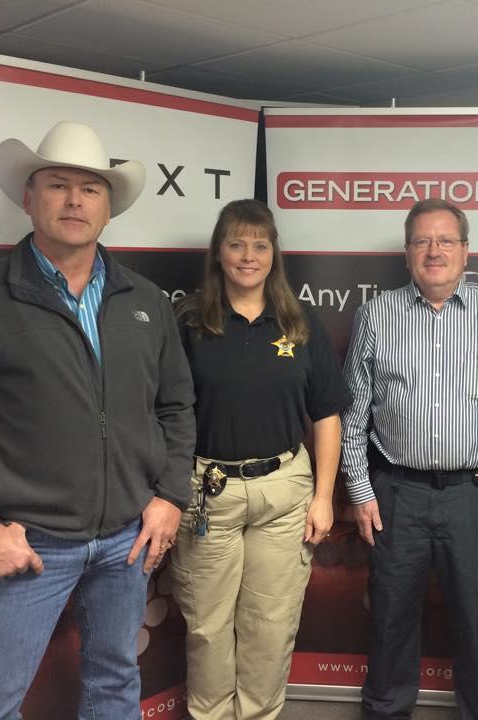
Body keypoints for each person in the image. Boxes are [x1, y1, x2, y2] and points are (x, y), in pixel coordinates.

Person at [0, 121, 196, 720]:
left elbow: (176, 406)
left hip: (125, 541)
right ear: (28, 198)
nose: (75, 200)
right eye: (57, 185)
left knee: (115, 682)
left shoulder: (146, 302)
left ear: (110, 208)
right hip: (30, 544)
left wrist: (170, 496)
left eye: (90, 189)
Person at [341, 198, 478, 720]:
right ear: (406, 253)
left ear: (466, 251)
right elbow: (355, 413)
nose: (434, 251)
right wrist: (361, 492)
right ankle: (385, 711)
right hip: (396, 495)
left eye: (446, 240)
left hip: (475, 496)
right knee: (389, 620)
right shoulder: (375, 315)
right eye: (422, 240)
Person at [169, 199, 351, 720]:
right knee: (207, 626)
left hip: (284, 493)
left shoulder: (298, 321)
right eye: (236, 244)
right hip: (207, 492)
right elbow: (165, 412)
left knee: (269, 627)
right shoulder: (187, 321)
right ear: (218, 252)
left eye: (259, 245)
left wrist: (322, 497)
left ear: (274, 254)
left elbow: (326, 416)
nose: (248, 256)